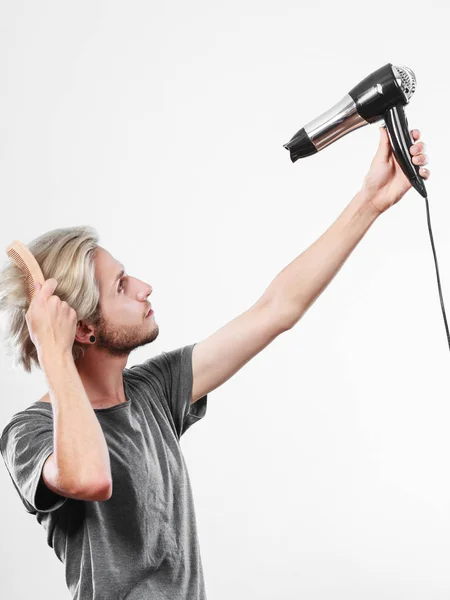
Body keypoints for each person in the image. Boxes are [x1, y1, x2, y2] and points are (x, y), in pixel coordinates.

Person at [0, 127, 430, 599]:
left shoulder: (153, 392)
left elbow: (275, 310)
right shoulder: (29, 434)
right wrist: (55, 352)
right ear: (83, 328)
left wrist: (370, 200)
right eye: (121, 285)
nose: (144, 286)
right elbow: (89, 477)